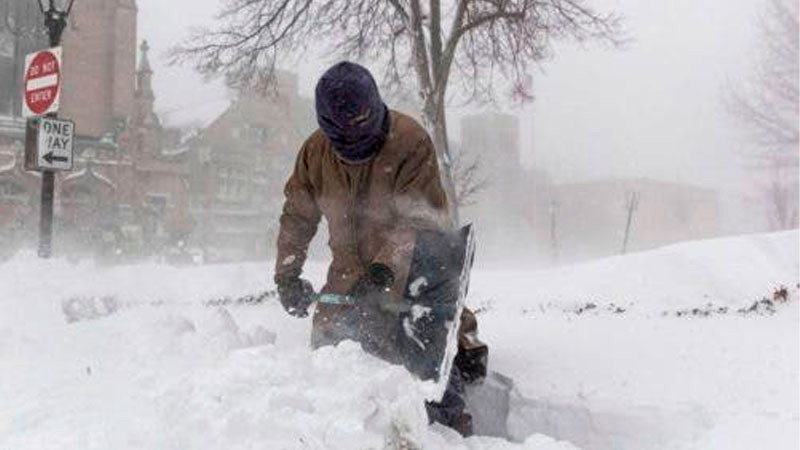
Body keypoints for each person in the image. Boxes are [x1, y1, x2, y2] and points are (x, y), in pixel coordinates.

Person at [273, 61, 486, 436]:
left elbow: (421, 221)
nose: (357, 135)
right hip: (346, 283)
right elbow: (297, 216)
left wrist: (382, 274)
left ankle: (450, 431)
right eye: (346, 131)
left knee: (427, 366)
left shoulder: (409, 142)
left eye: (363, 123)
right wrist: (287, 276)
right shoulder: (315, 153)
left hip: (410, 276)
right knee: (332, 366)